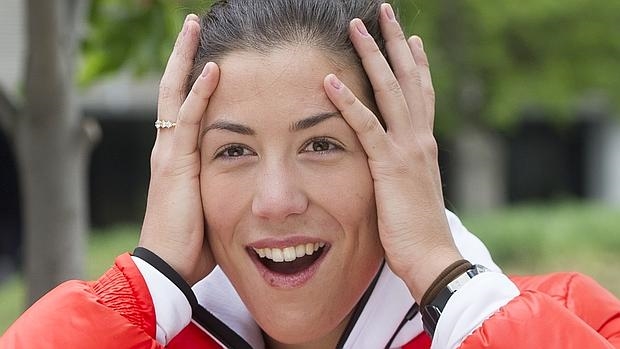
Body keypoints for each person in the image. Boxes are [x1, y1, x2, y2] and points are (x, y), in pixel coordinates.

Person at [2, 0, 620, 348]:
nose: (275, 202)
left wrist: (451, 283)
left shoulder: (570, 319)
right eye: (234, 152)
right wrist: (148, 280)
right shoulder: (140, 338)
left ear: (398, 160)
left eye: (321, 144)